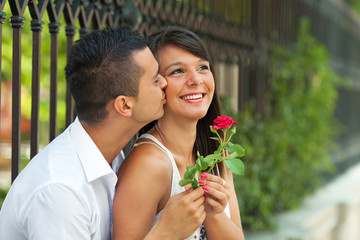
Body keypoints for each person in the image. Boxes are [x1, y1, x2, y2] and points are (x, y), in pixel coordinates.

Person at [0, 26, 207, 240]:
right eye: (155, 79)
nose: (164, 82)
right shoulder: (60, 190)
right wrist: (165, 234)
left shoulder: (109, 155)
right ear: (125, 105)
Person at [112, 26, 245, 240]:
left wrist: (214, 213)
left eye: (202, 67)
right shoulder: (148, 165)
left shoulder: (216, 155)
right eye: (177, 71)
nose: (195, 80)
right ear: (157, 84)